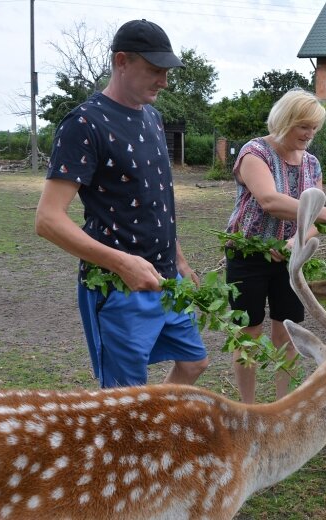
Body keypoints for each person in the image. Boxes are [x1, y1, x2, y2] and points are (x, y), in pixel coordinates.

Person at [35, 19, 208, 389]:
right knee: (125, 396)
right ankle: (136, 441)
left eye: (166, 72)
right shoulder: (83, 123)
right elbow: (48, 220)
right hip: (117, 286)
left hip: (165, 278)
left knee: (194, 363)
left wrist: (178, 260)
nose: (164, 81)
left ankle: (152, 429)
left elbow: (155, 199)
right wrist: (123, 264)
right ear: (121, 61)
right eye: (154, 70)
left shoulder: (153, 117)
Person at [225, 89, 326, 403]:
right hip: (248, 255)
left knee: (287, 332)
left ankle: (282, 405)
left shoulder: (312, 164)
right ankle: (247, 408)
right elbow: (270, 201)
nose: (309, 133)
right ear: (285, 120)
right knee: (248, 332)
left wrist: (297, 240)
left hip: (292, 259)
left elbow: (311, 221)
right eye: (303, 125)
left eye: (314, 127)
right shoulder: (254, 153)